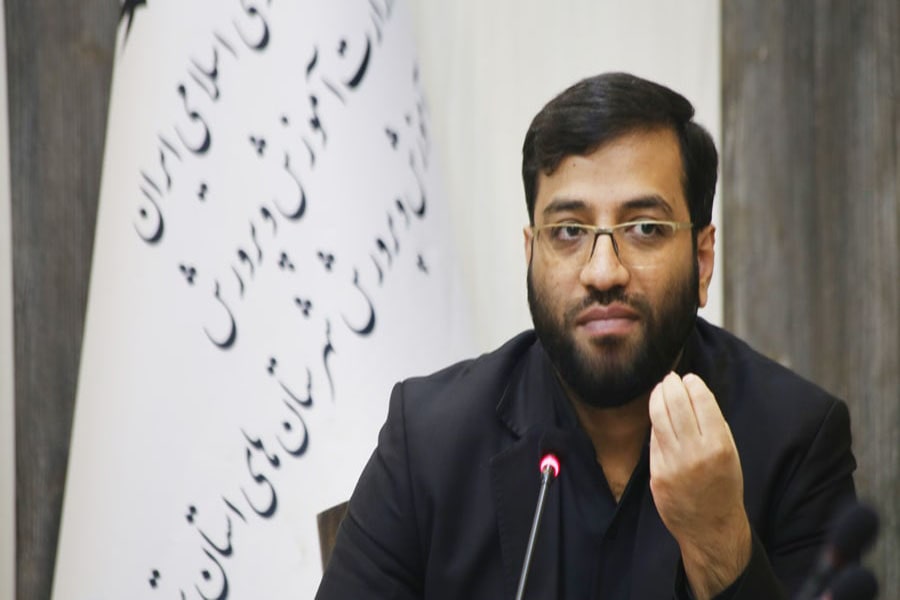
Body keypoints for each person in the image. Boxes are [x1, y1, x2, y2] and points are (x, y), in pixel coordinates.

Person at [315, 72, 856, 599]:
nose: (603, 272)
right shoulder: (429, 441)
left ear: (702, 257)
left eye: (645, 228)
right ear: (531, 253)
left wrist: (721, 545)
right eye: (569, 231)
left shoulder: (797, 441)